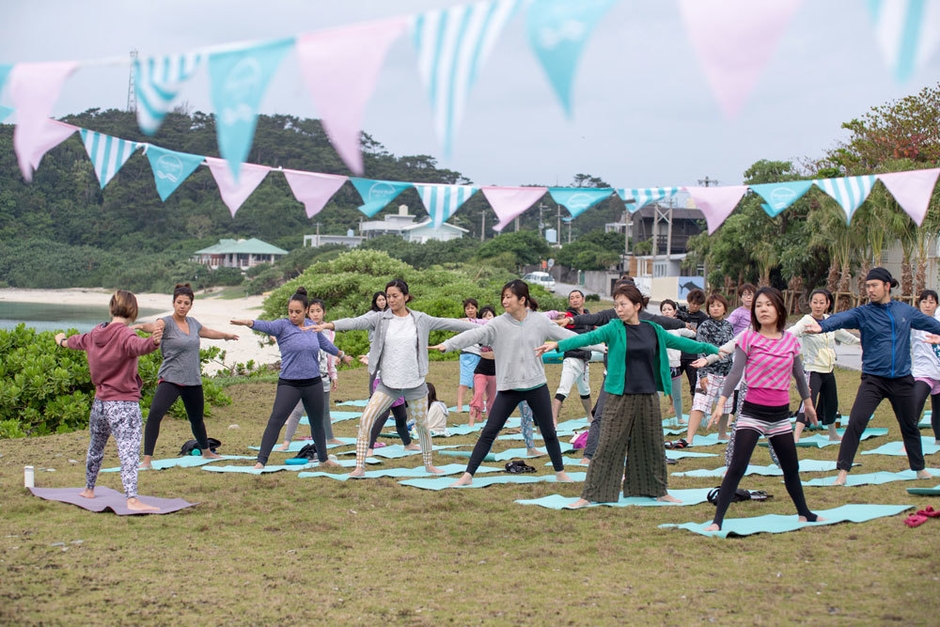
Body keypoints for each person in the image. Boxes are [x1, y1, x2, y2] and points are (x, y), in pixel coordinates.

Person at [536, 283, 719, 505]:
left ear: (637, 306)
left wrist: (712, 350)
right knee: (607, 446)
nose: (618, 309)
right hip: (618, 395)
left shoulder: (653, 329)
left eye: (623, 304)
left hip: (648, 395)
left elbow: (681, 342)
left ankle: (659, 491)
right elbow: (586, 339)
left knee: (652, 445)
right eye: (616, 305)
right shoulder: (613, 327)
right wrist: (557, 344)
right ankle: (589, 495)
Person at [308, 279, 478, 477]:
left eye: (395, 296)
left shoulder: (420, 319)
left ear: (406, 296)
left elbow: (449, 323)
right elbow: (355, 322)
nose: (391, 300)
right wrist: (328, 325)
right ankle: (359, 467)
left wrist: (481, 326)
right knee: (366, 420)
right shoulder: (380, 319)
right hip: (388, 383)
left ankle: (429, 464)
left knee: (422, 425)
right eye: (388, 296)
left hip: (415, 382)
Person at [431, 279, 584, 486]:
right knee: (489, 432)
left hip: (536, 386)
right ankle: (467, 476)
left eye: (509, 297)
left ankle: (560, 472)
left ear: (522, 299)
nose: (504, 301)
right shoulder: (498, 324)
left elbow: (569, 336)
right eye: (503, 297)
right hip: (508, 388)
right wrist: (448, 345)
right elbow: (474, 334)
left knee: (549, 432)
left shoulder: (539, 321)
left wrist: (600, 346)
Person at [804, 267, 940, 485]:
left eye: (874, 285)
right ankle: (842, 472)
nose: (870, 290)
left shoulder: (905, 312)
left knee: (910, 425)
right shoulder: (863, 313)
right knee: (857, 422)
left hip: (902, 380)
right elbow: (839, 319)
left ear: (887, 286)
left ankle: (920, 468)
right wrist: (821, 326)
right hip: (873, 381)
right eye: (867, 286)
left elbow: (934, 326)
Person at [704, 287, 820, 531]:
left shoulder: (790, 340)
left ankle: (804, 513)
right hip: (752, 413)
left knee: (791, 468)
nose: (763, 309)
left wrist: (808, 404)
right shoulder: (748, 338)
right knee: (737, 467)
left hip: (779, 417)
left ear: (779, 309)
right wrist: (722, 402)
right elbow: (736, 373)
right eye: (759, 305)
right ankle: (718, 521)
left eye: (768, 304)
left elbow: (799, 376)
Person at [54, 290, 164, 512]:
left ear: (111, 308)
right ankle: (131, 499)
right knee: (129, 450)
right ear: (133, 311)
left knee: (96, 446)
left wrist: (61, 341)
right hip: (123, 403)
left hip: (100, 402)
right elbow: (139, 347)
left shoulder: (95, 333)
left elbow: (74, 342)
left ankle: (89, 489)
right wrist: (153, 342)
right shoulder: (125, 335)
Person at [560, 278, 686, 464]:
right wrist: (572, 319)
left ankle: (658, 457)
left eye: (624, 300)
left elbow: (665, 322)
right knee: (601, 415)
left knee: (647, 422)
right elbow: (592, 319)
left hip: (639, 381)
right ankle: (589, 455)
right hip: (614, 377)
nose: (619, 306)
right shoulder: (614, 315)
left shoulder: (646, 318)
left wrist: (684, 324)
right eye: (617, 300)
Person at [231, 287, 352, 470]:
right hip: (290, 384)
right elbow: (265, 325)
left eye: (297, 312)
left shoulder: (312, 326)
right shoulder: (282, 326)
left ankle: (324, 459)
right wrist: (247, 322)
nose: (293, 315)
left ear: (305, 311)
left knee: (317, 422)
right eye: (290, 311)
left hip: (313, 383)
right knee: (276, 420)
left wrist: (341, 355)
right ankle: (261, 461)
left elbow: (324, 344)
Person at [136, 284, 238, 469]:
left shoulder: (193, 323)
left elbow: (208, 332)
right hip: (171, 379)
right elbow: (153, 326)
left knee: (196, 419)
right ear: (173, 303)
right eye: (179, 302)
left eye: (186, 303)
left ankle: (207, 452)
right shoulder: (165, 322)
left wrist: (226, 335)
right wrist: (142, 327)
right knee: (154, 415)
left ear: (191, 305)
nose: (182, 306)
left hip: (192, 380)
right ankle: (147, 460)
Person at [788, 288, 860, 442]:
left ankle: (833, 434)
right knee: (808, 403)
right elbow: (793, 331)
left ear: (827, 304)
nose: (818, 306)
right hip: (813, 370)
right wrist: (777, 337)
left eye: (822, 302)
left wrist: (861, 342)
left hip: (829, 369)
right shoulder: (806, 321)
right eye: (815, 302)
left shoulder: (829, 321)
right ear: (810, 303)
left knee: (831, 402)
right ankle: (795, 437)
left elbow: (844, 336)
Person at [277, 298, 345, 451]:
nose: (315, 314)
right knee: (298, 410)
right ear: (307, 311)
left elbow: (329, 355)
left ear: (324, 312)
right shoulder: (304, 327)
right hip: (307, 377)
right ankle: (286, 441)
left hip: (323, 376)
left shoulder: (328, 332)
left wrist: (333, 375)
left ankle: (330, 437)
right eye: (312, 311)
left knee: (325, 410)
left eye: (318, 311)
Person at [684, 293, 734, 445]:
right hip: (709, 372)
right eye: (712, 306)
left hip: (727, 372)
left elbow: (731, 349)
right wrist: (703, 374)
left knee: (726, 405)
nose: (715, 308)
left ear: (725, 309)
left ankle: (722, 433)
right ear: (708, 309)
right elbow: (701, 350)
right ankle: (690, 438)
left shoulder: (728, 326)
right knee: (700, 403)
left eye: (719, 305)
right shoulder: (705, 326)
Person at [552, 289, 594, 425]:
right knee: (563, 389)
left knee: (585, 390)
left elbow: (596, 329)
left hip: (585, 360)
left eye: (577, 297)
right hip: (572, 358)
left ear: (583, 299)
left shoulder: (588, 315)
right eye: (572, 298)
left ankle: (590, 417)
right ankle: (553, 420)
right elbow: (560, 324)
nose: (575, 299)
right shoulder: (569, 315)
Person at [911, 290, 940, 445]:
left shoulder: (938, 322)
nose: (928, 305)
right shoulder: (914, 322)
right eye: (924, 302)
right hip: (923, 373)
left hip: (939, 373)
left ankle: (939, 439)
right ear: (919, 304)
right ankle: (908, 441)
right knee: (916, 403)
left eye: (931, 302)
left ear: (936, 305)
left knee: (938, 410)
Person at [659, 299, 695, 424]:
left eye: (669, 309)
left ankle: (679, 418)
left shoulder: (677, 327)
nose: (666, 312)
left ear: (674, 311)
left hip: (675, 366)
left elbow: (692, 333)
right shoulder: (657, 327)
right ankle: (653, 418)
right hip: (661, 366)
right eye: (664, 310)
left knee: (677, 395)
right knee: (656, 394)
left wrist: (687, 322)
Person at [469, 305, 498, 426]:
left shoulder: (499, 330)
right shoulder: (481, 333)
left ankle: (491, 424)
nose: (487, 319)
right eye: (484, 317)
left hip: (495, 372)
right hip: (481, 370)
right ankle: (471, 422)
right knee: (478, 394)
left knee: (492, 402)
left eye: (490, 315)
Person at [677, 288, 709, 393]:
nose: (695, 306)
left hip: (693, 354)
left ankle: (693, 406)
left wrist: (695, 331)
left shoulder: (703, 317)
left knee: (694, 383)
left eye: (698, 304)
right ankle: (673, 405)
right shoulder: (681, 314)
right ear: (689, 301)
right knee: (674, 381)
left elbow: (704, 336)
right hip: (679, 352)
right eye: (693, 303)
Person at [455, 298, 481, 415]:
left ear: (476, 308)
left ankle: (477, 404)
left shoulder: (481, 322)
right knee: (465, 383)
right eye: (467, 308)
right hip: (468, 354)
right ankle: (459, 406)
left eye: (472, 308)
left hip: (480, 354)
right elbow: (454, 323)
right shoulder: (463, 323)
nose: (470, 310)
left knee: (478, 383)